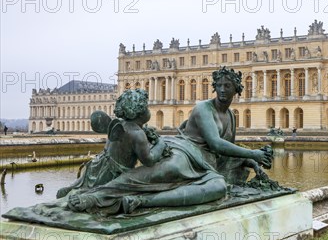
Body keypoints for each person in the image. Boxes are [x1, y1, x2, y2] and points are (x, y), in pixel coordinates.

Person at [68, 67, 273, 215]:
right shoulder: (203, 108)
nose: (222, 90)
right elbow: (216, 144)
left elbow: (224, 152)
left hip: (205, 166)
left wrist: (249, 160)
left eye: (227, 86)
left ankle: (140, 201)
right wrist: (253, 153)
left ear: (237, 89)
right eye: (218, 85)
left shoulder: (230, 115)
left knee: (218, 188)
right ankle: (96, 196)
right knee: (158, 173)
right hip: (185, 152)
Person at [57, 89, 168, 199]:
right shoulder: (137, 134)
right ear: (140, 112)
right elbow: (149, 161)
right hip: (113, 174)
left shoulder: (119, 124)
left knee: (84, 190)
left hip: (96, 166)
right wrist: (161, 144)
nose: (149, 110)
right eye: (146, 108)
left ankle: (74, 190)